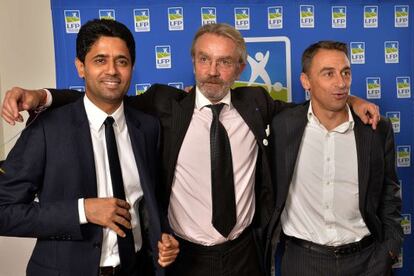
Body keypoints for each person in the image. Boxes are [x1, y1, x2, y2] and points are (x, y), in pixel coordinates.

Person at [1, 24, 380, 276]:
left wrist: (352, 101)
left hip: (245, 254)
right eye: (204, 59)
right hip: (183, 257)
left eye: (225, 62)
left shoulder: (257, 104)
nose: (213, 71)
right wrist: (43, 96)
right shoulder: (163, 106)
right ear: (194, 62)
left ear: (240, 68)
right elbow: (104, 95)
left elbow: (313, 106)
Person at [0, 19, 179, 276]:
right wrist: (82, 211)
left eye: (122, 61)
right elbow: (3, 211)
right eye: (100, 60)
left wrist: (163, 239)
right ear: (80, 67)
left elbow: (148, 203)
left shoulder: (147, 127)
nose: (112, 71)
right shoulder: (46, 130)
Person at [265, 41, 403, 276]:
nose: (341, 82)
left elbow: (389, 193)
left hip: (368, 261)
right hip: (302, 262)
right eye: (328, 74)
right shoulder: (283, 124)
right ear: (306, 81)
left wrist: (389, 251)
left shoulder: (375, 129)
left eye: (345, 73)